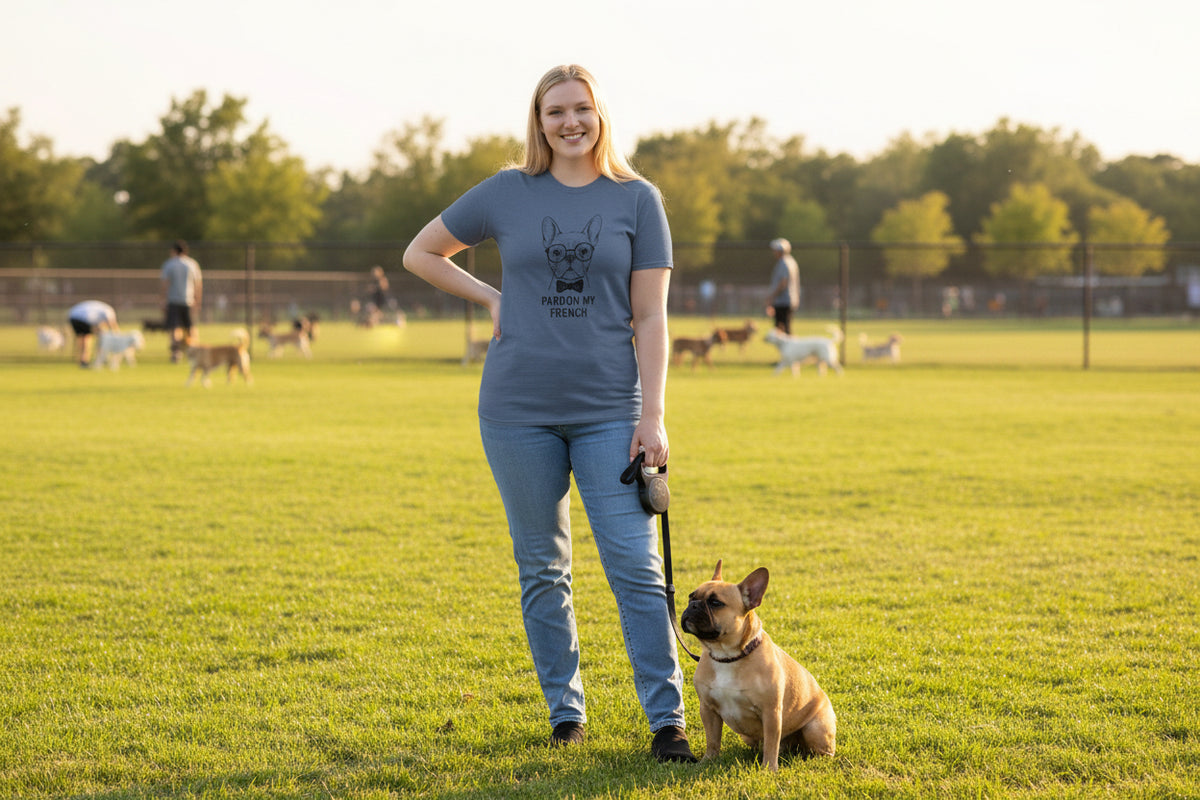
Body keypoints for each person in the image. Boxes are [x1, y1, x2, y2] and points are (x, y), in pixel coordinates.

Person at [402, 64, 694, 763]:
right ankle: (567, 714)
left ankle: (668, 721)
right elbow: (421, 253)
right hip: (515, 410)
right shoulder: (507, 191)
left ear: (600, 116)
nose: (570, 122)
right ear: (538, 121)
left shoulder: (637, 199)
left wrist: (652, 416)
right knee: (542, 569)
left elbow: (651, 316)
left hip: (610, 412)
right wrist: (492, 298)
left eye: (582, 110)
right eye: (555, 111)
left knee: (636, 567)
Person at [160, 240, 203, 362]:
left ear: (174, 251)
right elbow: (198, 284)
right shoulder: (192, 264)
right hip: (189, 300)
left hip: (173, 300)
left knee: (175, 328)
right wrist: (198, 300)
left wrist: (162, 299)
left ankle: (176, 353)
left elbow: (165, 283)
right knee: (191, 327)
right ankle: (195, 352)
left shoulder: (169, 264)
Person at [66, 299, 118, 368]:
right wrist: (116, 335)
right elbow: (111, 325)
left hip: (73, 316)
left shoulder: (99, 310)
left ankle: (82, 360)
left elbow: (99, 325)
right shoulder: (109, 311)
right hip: (82, 318)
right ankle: (96, 359)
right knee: (88, 339)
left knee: (82, 339)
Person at [765, 237, 800, 334]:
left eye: (775, 250)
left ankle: (790, 349)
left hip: (783, 301)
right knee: (785, 328)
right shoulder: (791, 261)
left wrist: (772, 297)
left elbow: (783, 282)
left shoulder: (784, 263)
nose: (774, 252)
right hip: (789, 300)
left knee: (782, 330)